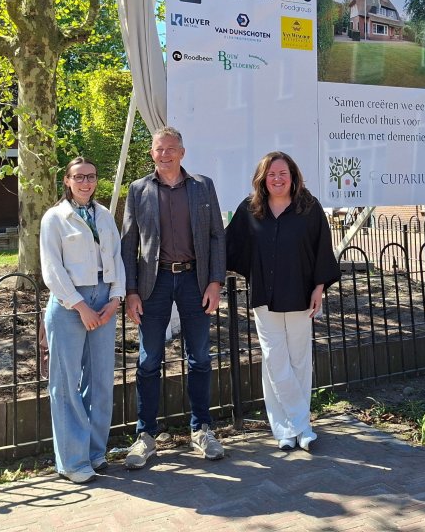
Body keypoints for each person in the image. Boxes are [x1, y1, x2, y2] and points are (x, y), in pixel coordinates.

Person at [120, 126, 226, 468]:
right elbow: (128, 243)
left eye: (170, 149)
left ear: (182, 152)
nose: (164, 155)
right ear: (151, 153)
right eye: (158, 149)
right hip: (155, 283)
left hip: (195, 280)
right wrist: (131, 291)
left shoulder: (202, 186)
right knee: (149, 360)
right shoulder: (139, 190)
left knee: (199, 357)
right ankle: (145, 435)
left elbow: (216, 237)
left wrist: (215, 282)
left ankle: (202, 429)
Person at [225, 151, 340, 451]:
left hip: (301, 294)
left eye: (282, 173)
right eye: (271, 174)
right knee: (275, 360)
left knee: (299, 360)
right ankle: (299, 424)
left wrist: (319, 287)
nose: (277, 179)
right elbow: (228, 245)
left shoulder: (309, 208)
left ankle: (289, 431)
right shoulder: (250, 209)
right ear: (263, 178)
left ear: (293, 176)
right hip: (265, 295)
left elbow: (322, 249)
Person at [40, 157, 125, 484]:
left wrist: (116, 297)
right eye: (79, 177)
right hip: (69, 304)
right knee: (66, 384)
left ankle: (94, 453)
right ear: (67, 180)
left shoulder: (104, 216)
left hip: (104, 300)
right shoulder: (54, 218)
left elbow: (115, 257)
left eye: (90, 176)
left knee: (102, 380)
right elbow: (52, 269)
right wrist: (80, 306)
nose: (86, 183)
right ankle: (72, 462)